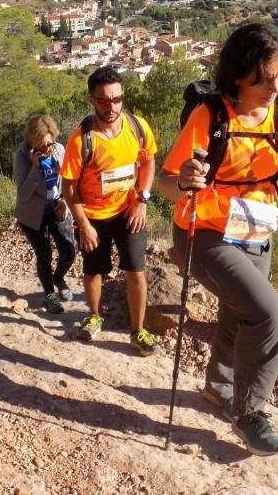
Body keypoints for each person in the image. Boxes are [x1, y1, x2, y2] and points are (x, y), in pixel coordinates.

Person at [157, 23, 278, 457]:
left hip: (255, 230)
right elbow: (167, 181)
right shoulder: (209, 116)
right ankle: (250, 413)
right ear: (239, 73)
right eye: (264, 78)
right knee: (268, 314)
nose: (273, 87)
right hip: (202, 231)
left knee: (238, 312)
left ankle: (218, 387)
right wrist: (184, 180)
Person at [61, 67, 159, 356]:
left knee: (136, 271)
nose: (112, 106)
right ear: (91, 100)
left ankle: (138, 331)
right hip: (93, 216)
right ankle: (93, 316)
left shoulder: (137, 127)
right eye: (104, 100)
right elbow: (69, 188)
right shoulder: (81, 140)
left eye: (117, 99)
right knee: (94, 271)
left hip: (129, 211)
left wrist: (143, 199)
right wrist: (83, 224)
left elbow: (149, 162)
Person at [13, 115, 77, 314]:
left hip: (57, 208)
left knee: (69, 250)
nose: (47, 149)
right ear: (32, 142)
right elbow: (22, 194)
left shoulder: (59, 149)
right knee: (44, 254)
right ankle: (50, 295)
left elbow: (67, 180)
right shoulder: (21, 156)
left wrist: (65, 201)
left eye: (49, 143)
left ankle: (59, 277)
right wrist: (34, 167)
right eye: (41, 145)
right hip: (33, 214)